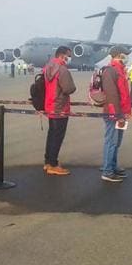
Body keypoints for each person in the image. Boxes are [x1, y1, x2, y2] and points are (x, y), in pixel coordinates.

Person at [43, 46, 76, 175]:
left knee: (51, 135)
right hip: (60, 107)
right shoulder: (62, 70)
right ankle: (53, 164)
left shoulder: (47, 68)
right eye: (68, 55)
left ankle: (48, 161)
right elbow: (69, 88)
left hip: (50, 106)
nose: (69, 58)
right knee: (57, 137)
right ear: (62, 56)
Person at [100, 46, 132, 183]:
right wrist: (117, 115)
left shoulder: (119, 70)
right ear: (119, 55)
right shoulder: (111, 70)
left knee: (116, 142)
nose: (127, 57)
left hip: (121, 112)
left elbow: (123, 93)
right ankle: (107, 171)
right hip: (114, 113)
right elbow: (112, 95)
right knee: (111, 142)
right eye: (125, 54)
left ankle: (112, 166)